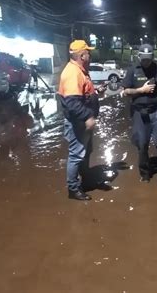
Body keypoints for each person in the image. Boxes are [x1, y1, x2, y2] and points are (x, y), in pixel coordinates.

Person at [58, 39, 106, 200]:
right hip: (77, 123)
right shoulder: (73, 73)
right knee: (76, 155)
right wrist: (87, 117)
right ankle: (73, 189)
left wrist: (96, 91)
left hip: (81, 122)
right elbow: (71, 102)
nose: (90, 55)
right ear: (82, 55)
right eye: (88, 52)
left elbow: (81, 95)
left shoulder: (79, 70)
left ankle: (86, 181)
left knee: (86, 152)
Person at [122, 44, 157, 190]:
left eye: (149, 59)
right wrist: (141, 90)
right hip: (139, 113)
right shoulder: (132, 70)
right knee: (142, 144)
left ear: (153, 57)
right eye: (144, 59)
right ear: (139, 57)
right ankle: (145, 173)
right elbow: (125, 92)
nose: (146, 62)